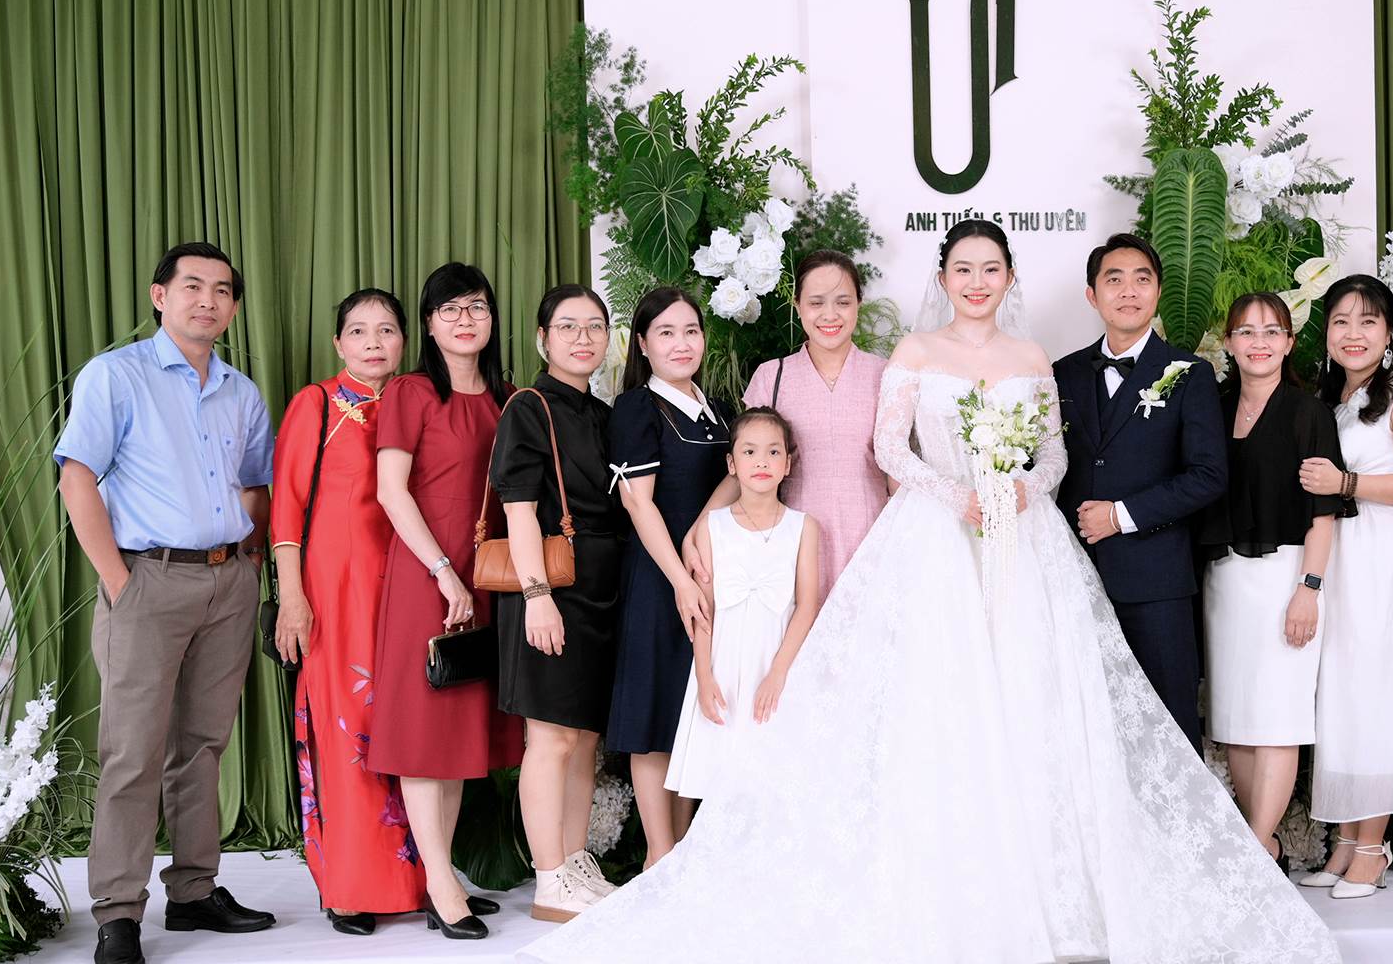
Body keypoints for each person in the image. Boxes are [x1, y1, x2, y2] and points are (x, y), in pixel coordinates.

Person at [520, 220, 1336, 964]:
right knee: (935, 703)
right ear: (943, 278)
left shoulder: (1032, 359)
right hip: (935, 538)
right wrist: (957, 495)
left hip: (1021, 541)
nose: (976, 282)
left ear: (1009, 277)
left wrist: (1022, 488)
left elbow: (1054, 453)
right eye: (962, 269)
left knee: (1030, 698)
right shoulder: (913, 350)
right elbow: (890, 448)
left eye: (990, 269)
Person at [54, 242, 278, 964]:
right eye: (192, 286)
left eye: (222, 290)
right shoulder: (116, 375)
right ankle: (118, 912)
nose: (208, 300)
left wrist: (245, 559)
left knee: (204, 746)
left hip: (227, 582)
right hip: (147, 581)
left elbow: (255, 485)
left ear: (234, 306)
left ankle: (193, 891)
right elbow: (77, 479)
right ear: (160, 295)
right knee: (132, 752)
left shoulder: (241, 392)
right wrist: (120, 582)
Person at [369, 262, 522, 939]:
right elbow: (391, 491)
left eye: (477, 306)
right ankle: (438, 882)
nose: (465, 319)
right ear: (429, 324)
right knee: (425, 730)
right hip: (427, 576)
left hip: (487, 575)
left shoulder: (507, 397)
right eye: (450, 308)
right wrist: (443, 573)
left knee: (459, 729)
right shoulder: (412, 392)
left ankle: (443, 877)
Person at [270, 288, 425, 935]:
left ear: (404, 341)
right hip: (336, 592)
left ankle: (422, 882)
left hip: (409, 587)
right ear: (338, 343)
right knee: (348, 731)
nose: (373, 342)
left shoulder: (419, 403)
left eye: (386, 330)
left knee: (410, 728)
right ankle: (351, 888)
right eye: (358, 331)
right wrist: (292, 597)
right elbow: (286, 506)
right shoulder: (317, 403)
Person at [1298, 273, 1393, 899]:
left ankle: (1373, 845)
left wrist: (1348, 484)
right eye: (1341, 321)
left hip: (1382, 552)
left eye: (1367, 321)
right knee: (1343, 693)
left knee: (1379, 691)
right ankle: (1346, 837)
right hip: (1335, 555)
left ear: (1388, 333)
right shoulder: (1327, 397)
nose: (1353, 334)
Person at [1053, 234, 1227, 750]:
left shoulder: (1189, 374)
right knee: (1086, 727)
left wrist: (1121, 515)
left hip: (1157, 581)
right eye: (1114, 279)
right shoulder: (1061, 373)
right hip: (1075, 578)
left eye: (1141, 279)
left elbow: (1208, 475)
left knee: (1168, 727)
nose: (1128, 291)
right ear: (1092, 295)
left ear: (1157, 292)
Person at [1197, 291, 1348, 869]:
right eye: (1246, 332)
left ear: (1288, 342)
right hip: (1224, 579)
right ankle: (1261, 845)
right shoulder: (1212, 407)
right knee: (1236, 717)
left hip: (1287, 575)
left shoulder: (1308, 413)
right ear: (1229, 344)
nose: (1258, 342)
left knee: (1278, 717)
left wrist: (1308, 589)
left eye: (1270, 332)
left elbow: (1324, 515)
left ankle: (1256, 853)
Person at [489, 285, 624, 921]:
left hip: (600, 593)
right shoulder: (529, 406)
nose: (582, 338)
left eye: (594, 326)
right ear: (543, 338)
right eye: (567, 326)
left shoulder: (601, 412)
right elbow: (518, 512)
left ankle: (574, 862)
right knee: (549, 738)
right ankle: (549, 880)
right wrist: (537, 596)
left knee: (583, 739)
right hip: (550, 590)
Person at [606, 288, 734, 869]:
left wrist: (702, 544)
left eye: (691, 331)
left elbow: (738, 476)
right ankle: (659, 855)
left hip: (711, 579)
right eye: (666, 332)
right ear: (642, 344)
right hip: (661, 582)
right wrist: (681, 580)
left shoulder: (716, 408)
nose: (681, 344)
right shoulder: (638, 407)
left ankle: (683, 858)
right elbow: (639, 504)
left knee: (692, 716)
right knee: (656, 714)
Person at [692, 250, 889, 599]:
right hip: (788, 550)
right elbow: (746, 467)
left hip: (873, 546)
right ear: (797, 305)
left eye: (843, 302)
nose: (830, 314)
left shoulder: (886, 376)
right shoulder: (772, 377)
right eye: (816, 302)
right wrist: (698, 530)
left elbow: (899, 476)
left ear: (859, 303)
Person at [665, 408, 823, 799]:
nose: (762, 462)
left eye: (773, 452)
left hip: (776, 662)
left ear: (788, 464)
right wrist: (704, 675)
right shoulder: (712, 526)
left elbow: (807, 606)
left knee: (773, 776)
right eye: (750, 452)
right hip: (723, 663)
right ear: (732, 464)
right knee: (721, 775)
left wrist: (778, 674)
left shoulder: (804, 527)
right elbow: (705, 610)